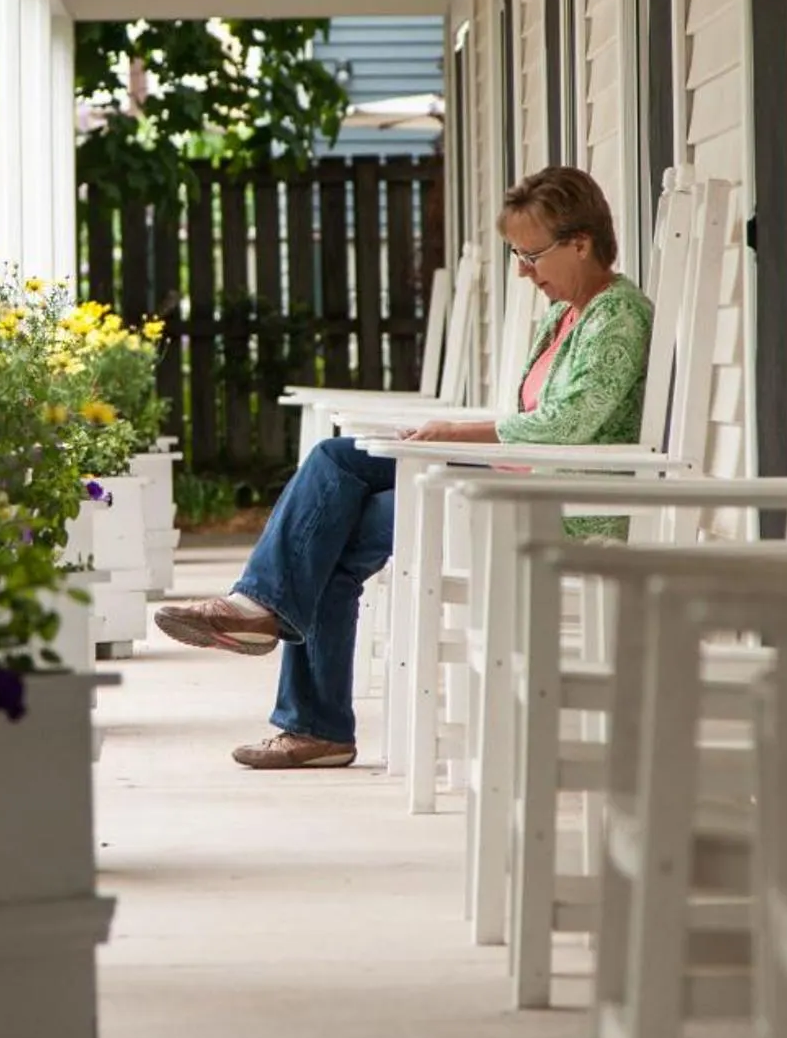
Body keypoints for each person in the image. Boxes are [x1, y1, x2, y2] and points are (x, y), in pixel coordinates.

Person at [156, 166, 654, 770]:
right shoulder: (565, 315)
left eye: (531, 256)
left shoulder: (619, 315)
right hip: (515, 478)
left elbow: (568, 424)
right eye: (516, 256)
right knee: (335, 459)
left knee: (334, 538)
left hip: (557, 504)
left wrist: (454, 433)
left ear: (580, 243)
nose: (524, 272)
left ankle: (309, 714)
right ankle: (262, 617)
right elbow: (539, 421)